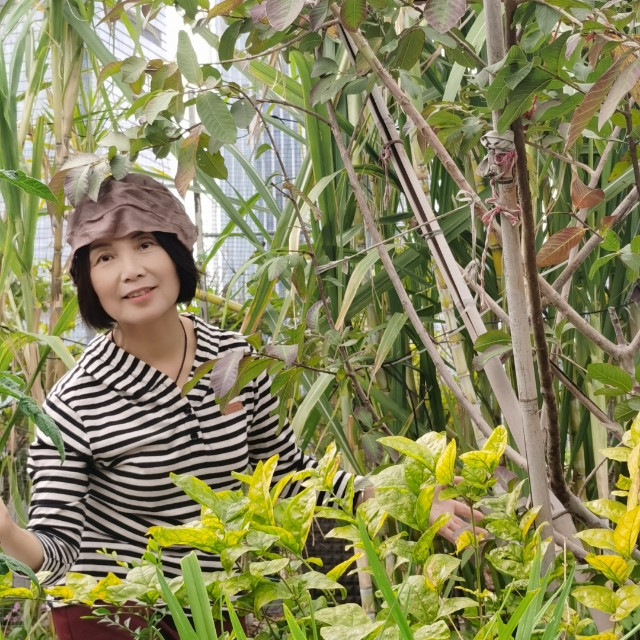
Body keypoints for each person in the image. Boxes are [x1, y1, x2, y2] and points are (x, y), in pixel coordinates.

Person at [0, 173, 481, 639]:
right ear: (88, 280)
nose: (131, 270)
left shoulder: (232, 359)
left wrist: (405, 498)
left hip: (217, 599)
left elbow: (287, 473)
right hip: (115, 614)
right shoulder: (75, 403)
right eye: (105, 256)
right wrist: (6, 532)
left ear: (175, 250)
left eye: (145, 244)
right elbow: (56, 549)